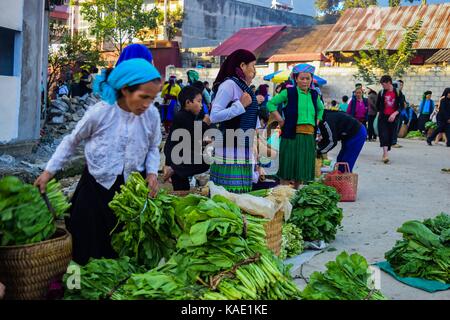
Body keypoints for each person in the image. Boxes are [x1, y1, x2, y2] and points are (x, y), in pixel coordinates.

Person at [34, 59, 163, 265]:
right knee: (86, 245)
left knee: (121, 245)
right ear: (125, 90)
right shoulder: (101, 113)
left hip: (128, 191)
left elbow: (152, 148)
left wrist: (152, 174)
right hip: (94, 188)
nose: (147, 104)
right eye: (143, 97)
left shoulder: (152, 116)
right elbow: (71, 141)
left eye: (153, 98)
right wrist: (48, 172)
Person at [209, 49, 265, 193]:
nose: (255, 70)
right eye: (253, 65)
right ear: (242, 66)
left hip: (243, 148)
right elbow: (214, 116)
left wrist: (256, 161)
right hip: (229, 149)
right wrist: (240, 105)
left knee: (242, 194)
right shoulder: (229, 85)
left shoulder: (245, 88)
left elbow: (254, 126)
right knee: (228, 196)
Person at [267, 64, 325, 187]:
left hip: (308, 136)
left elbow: (321, 109)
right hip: (291, 135)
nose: (305, 81)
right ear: (296, 79)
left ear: (311, 79)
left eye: (307, 78)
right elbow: (271, 104)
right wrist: (281, 120)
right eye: (302, 78)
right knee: (288, 167)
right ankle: (284, 194)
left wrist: (318, 121)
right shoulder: (288, 92)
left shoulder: (314, 94)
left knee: (301, 169)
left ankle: (296, 194)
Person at [163, 86, 211, 190]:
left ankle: (174, 170)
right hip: (177, 159)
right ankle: (174, 169)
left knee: (182, 189)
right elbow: (194, 133)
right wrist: (205, 124)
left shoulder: (187, 116)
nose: (201, 105)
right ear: (188, 102)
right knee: (205, 161)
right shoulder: (182, 116)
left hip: (178, 159)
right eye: (198, 101)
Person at [375, 75, 405, 163]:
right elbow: (378, 106)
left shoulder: (398, 92)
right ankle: (385, 154)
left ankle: (386, 151)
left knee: (390, 136)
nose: (383, 87)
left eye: (384, 85)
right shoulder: (381, 92)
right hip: (383, 117)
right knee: (383, 135)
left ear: (389, 83)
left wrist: (395, 114)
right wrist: (378, 115)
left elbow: (402, 106)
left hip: (394, 117)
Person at [391, 80, 406, 148]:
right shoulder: (398, 92)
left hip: (395, 113)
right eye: (400, 85)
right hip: (395, 113)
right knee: (394, 128)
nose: (401, 86)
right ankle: (393, 142)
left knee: (394, 127)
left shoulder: (397, 92)